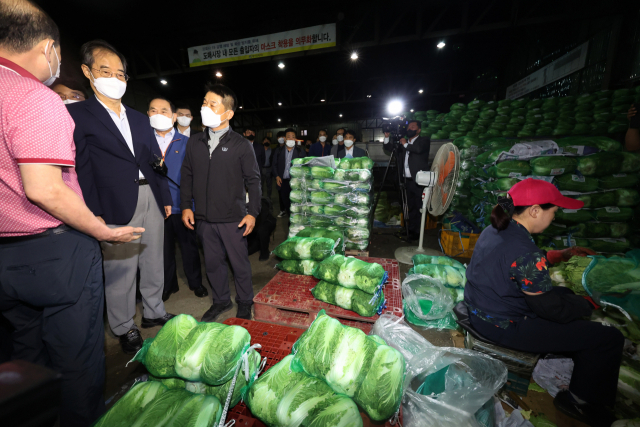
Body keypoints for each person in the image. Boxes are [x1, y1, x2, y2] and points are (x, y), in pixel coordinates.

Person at [0, 2, 143, 425]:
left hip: (6, 258)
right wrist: (100, 229)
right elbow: (44, 188)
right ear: (48, 49)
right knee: (77, 360)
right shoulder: (34, 98)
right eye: (60, 55)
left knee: (27, 357)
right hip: (55, 252)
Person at [464, 179, 624, 427]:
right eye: (554, 210)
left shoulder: (495, 230)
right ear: (535, 210)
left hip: (480, 311)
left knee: (562, 294)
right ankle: (579, 402)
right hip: (504, 326)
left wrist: (554, 257)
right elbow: (552, 310)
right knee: (608, 338)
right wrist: (590, 303)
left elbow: (512, 263)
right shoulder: (527, 252)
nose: (555, 215)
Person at [68, 39, 175, 355]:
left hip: (150, 197)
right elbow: (81, 168)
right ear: (88, 72)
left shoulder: (141, 119)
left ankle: (154, 310)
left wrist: (165, 197)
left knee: (154, 260)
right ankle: (124, 326)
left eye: (120, 73)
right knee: (120, 270)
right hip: (114, 203)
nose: (114, 79)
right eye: (105, 71)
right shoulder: (79, 115)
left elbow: (156, 162)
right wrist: (93, 211)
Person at [180, 83, 261, 322]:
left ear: (228, 113)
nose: (205, 107)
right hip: (203, 218)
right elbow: (187, 175)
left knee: (239, 264)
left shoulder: (241, 144)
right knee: (213, 264)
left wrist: (252, 213)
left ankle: (245, 301)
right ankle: (221, 300)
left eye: (212, 104)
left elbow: (254, 181)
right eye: (204, 102)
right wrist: (186, 205)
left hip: (233, 218)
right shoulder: (194, 142)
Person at [147, 97, 207, 302]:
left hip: (182, 206)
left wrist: (190, 204)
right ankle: (169, 285)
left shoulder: (187, 143)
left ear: (173, 117)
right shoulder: (144, 142)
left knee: (189, 247)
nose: (158, 115)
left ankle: (196, 283)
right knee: (163, 251)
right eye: (153, 111)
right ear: (148, 115)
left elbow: (195, 176)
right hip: (156, 207)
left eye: (163, 111)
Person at [383, 120, 430, 241]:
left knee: (418, 206)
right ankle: (409, 228)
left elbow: (418, 150)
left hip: (418, 180)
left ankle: (417, 232)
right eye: (409, 127)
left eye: (413, 127)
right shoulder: (403, 143)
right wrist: (387, 137)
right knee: (409, 206)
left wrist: (404, 144)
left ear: (418, 130)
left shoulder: (423, 140)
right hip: (405, 180)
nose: (410, 129)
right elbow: (389, 148)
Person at [272, 127, 303, 218]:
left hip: (295, 182)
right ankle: (291, 217)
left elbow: (305, 167)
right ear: (285, 139)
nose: (290, 138)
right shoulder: (278, 151)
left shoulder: (300, 152)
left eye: (293, 137)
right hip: (283, 182)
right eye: (288, 136)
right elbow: (274, 165)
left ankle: (292, 221)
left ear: (295, 139)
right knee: (286, 202)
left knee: (295, 203)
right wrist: (277, 176)